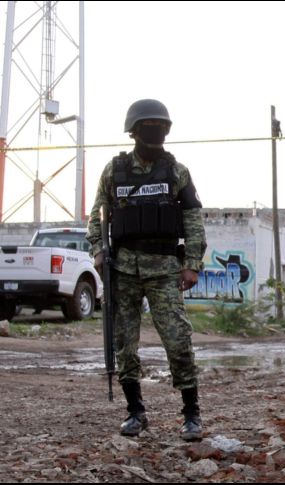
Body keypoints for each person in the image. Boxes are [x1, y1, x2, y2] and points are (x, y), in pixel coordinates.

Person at [86, 99, 207, 441]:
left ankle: (191, 414)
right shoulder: (114, 171)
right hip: (122, 269)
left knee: (178, 340)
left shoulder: (176, 172)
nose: (155, 132)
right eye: (148, 126)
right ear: (134, 132)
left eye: (161, 126)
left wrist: (192, 265)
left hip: (165, 269)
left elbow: (193, 221)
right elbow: (96, 215)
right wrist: (98, 251)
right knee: (124, 344)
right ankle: (135, 412)